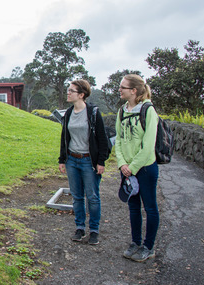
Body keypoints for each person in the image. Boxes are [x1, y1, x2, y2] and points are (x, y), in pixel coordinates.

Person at [58, 80, 109, 245]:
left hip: (89, 161)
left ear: (81, 95)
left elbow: (102, 139)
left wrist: (101, 161)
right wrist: (62, 159)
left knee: (92, 197)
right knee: (77, 197)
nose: (68, 93)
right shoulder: (68, 113)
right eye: (68, 90)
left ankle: (94, 230)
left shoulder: (93, 113)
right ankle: (79, 228)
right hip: (72, 160)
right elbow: (64, 138)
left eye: (71, 90)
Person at [115, 74, 159, 262]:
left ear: (133, 90)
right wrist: (122, 164)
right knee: (133, 208)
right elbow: (117, 139)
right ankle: (135, 242)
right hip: (127, 169)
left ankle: (148, 247)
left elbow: (148, 145)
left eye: (123, 87)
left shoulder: (148, 111)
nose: (120, 90)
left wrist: (132, 167)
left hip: (145, 168)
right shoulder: (122, 111)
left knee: (149, 207)